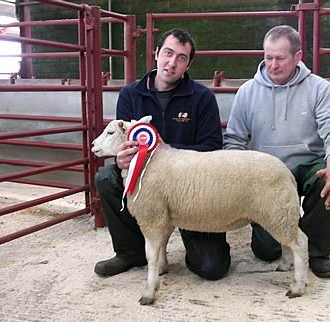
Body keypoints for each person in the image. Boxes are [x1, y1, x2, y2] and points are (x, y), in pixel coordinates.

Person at [94, 28, 231, 280]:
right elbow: (122, 141)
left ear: (188, 63)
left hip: (191, 190)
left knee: (212, 268)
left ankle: (192, 240)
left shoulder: (202, 98)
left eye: (181, 57)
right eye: (168, 53)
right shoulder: (130, 94)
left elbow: (212, 148)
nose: (172, 62)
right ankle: (131, 251)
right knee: (106, 177)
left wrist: (167, 153)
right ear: (156, 53)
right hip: (147, 182)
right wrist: (121, 158)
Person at [223, 25, 330, 278]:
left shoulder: (319, 88)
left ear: (298, 56)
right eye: (268, 57)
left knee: (328, 177)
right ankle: (290, 232)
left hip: (306, 166)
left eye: (280, 58)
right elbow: (234, 140)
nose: (273, 65)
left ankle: (316, 251)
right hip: (265, 174)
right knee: (266, 251)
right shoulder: (247, 92)